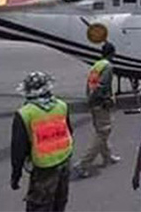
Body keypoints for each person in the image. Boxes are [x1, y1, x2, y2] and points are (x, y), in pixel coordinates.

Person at [10, 72, 73, 212]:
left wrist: (16, 175)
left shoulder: (24, 113)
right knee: (59, 202)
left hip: (44, 168)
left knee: (39, 206)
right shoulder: (62, 105)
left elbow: (18, 150)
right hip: (64, 161)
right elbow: (69, 131)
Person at [75, 42, 120, 178]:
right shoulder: (108, 67)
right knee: (103, 132)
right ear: (112, 53)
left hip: (93, 102)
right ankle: (83, 164)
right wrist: (106, 100)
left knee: (101, 130)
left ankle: (108, 156)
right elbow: (101, 86)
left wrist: (90, 99)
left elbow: (92, 84)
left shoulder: (97, 65)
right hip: (100, 103)